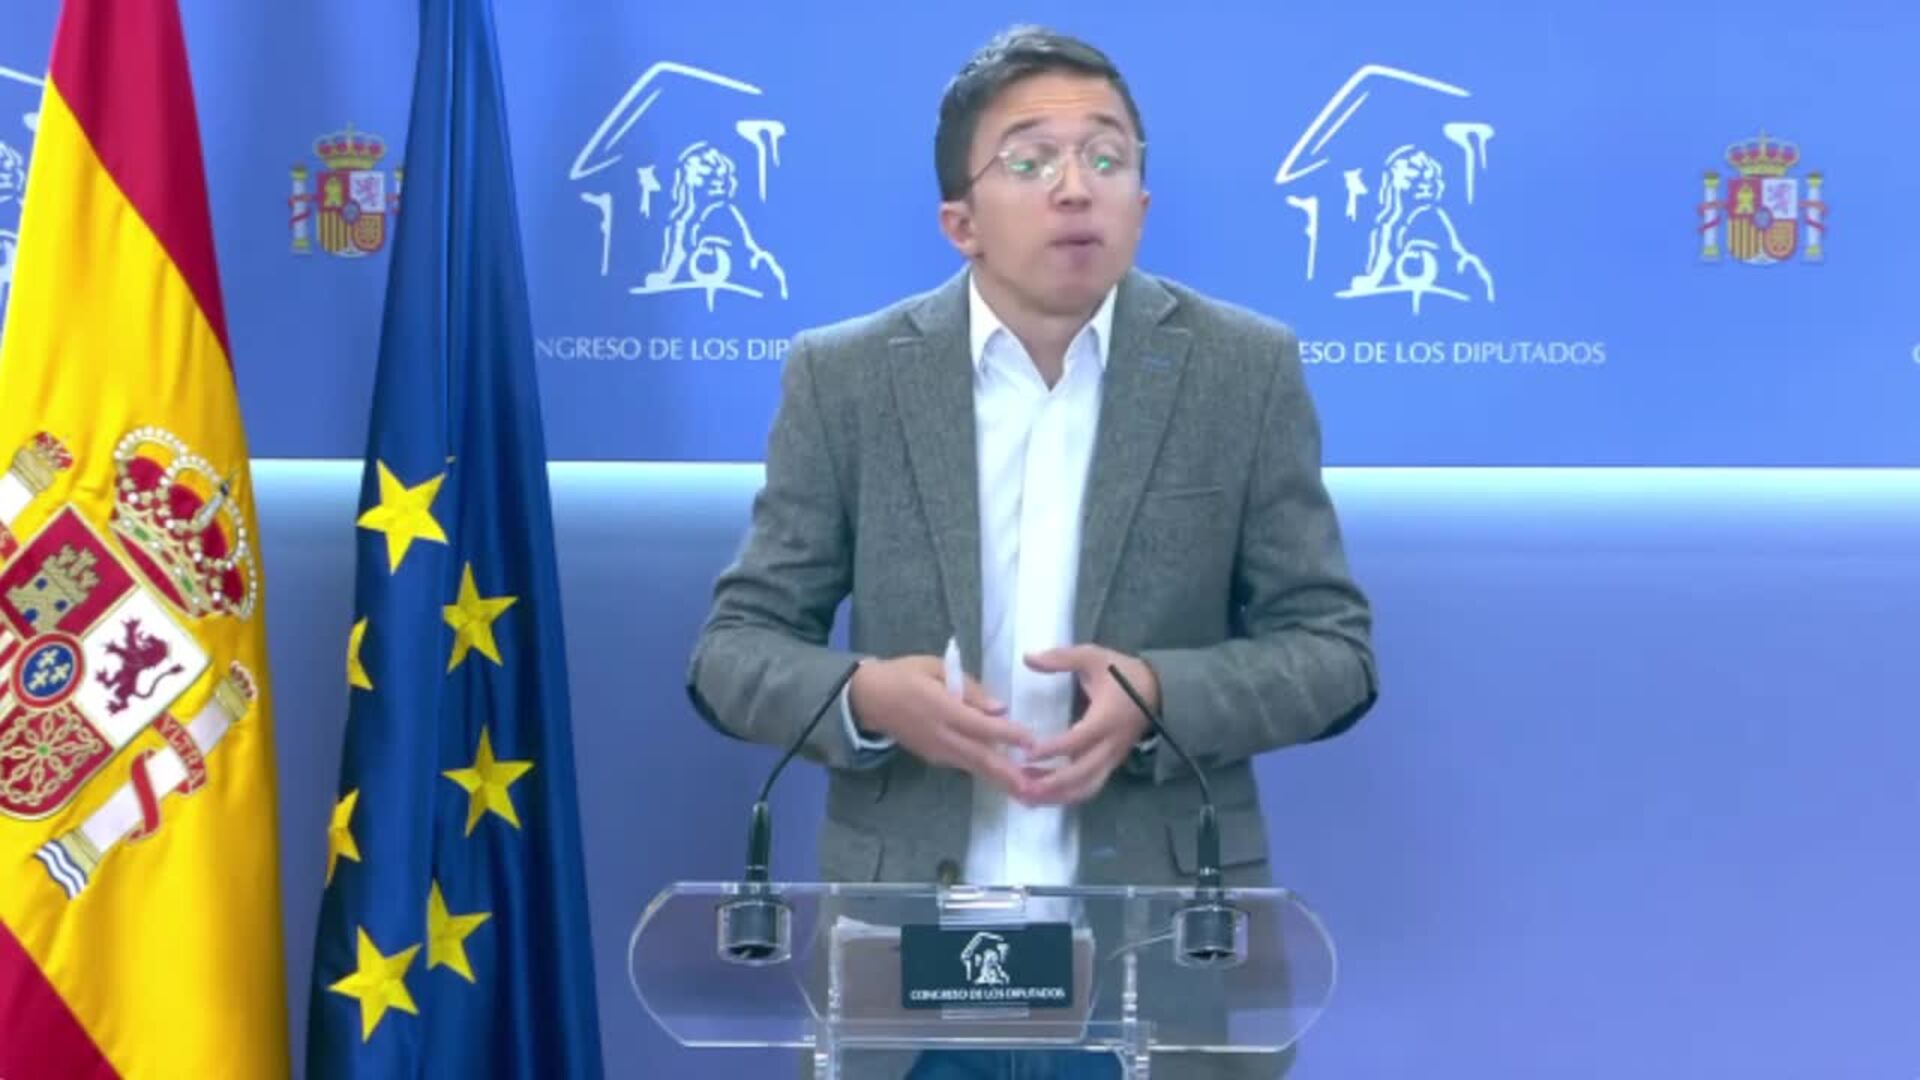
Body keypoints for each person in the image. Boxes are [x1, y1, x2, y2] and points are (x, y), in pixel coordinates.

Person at [687, 25, 1377, 1080]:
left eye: (1106, 156)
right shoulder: (848, 379)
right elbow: (733, 652)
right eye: (1030, 159)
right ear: (959, 221)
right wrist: (868, 699)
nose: (1075, 186)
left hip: (1154, 967)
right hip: (909, 976)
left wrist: (1162, 694)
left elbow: (1334, 654)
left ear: (1142, 201)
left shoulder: (1244, 371)